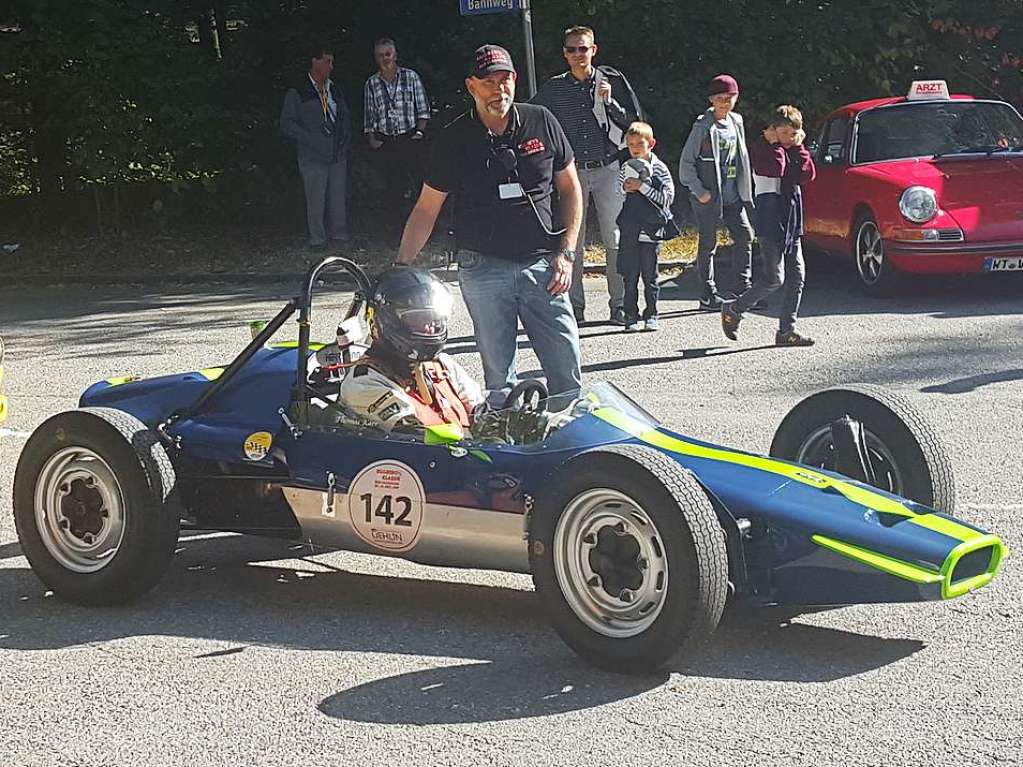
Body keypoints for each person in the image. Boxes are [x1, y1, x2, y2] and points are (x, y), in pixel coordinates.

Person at [397, 44, 584, 408]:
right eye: (489, 81)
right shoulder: (454, 138)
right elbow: (426, 209)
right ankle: (508, 444)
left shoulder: (541, 120)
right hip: (482, 268)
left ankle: (571, 446)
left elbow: (571, 188)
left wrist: (568, 253)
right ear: (471, 86)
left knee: (566, 372)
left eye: (506, 79)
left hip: (546, 266)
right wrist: (400, 266)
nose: (500, 88)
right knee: (499, 380)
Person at [532, 25, 643, 325]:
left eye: (583, 48)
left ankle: (619, 305)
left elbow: (636, 127)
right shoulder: (554, 89)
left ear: (594, 50)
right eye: (572, 49)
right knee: (573, 242)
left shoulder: (612, 82)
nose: (578, 54)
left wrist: (610, 102)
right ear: (564, 54)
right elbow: (531, 119)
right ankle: (575, 307)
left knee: (615, 238)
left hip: (609, 169)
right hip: (572, 173)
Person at [340, 266, 483, 432]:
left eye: (432, 319)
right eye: (418, 319)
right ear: (387, 321)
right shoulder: (363, 383)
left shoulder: (442, 365)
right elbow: (414, 436)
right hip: (423, 455)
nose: (429, 329)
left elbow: (482, 413)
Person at [722, 105, 817, 347]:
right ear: (773, 130)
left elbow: (807, 173)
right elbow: (777, 168)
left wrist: (799, 147)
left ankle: (786, 330)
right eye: (783, 133)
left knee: (798, 276)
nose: (788, 138)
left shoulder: (794, 149)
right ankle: (734, 309)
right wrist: (774, 144)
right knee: (775, 278)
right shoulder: (762, 150)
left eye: (793, 133)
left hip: (791, 220)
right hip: (770, 218)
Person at [678, 74, 756, 311]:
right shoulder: (703, 127)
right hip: (709, 198)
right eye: (720, 98)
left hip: (734, 196)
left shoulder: (736, 122)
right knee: (708, 244)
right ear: (712, 99)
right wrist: (700, 192)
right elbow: (686, 165)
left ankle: (742, 288)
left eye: (730, 97)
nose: (725, 102)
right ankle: (707, 294)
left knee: (744, 236)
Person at [280, 43, 352, 249]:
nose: (331, 67)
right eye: (327, 61)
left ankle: (340, 237)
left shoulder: (335, 89)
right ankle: (317, 240)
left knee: (338, 198)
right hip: (311, 156)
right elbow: (287, 124)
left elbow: (345, 118)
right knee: (315, 200)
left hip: (337, 154)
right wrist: (310, 139)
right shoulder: (298, 91)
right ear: (314, 61)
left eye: (332, 62)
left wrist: (343, 142)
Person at [363, 38, 431, 237]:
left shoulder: (411, 77)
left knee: (419, 185)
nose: (385, 59)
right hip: (386, 141)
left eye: (388, 54)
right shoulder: (372, 83)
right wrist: (371, 139)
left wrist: (420, 132)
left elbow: (423, 109)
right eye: (380, 55)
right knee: (392, 187)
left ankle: (421, 230)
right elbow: (369, 115)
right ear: (376, 59)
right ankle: (395, 232)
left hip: (410, 138)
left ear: (395, 55)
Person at [616, 122, 675, 332]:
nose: (635, 148)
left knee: (650, 277)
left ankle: (652, 314)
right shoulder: (626, 167)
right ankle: (630, 315)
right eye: (630, 144)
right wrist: (625, 188)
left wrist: (643, 187)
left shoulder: (659, 168)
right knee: (629, 275)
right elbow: (619, 192)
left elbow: (667, 198)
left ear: (651, 144)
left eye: (639, 143)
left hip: (651, 231)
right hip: (631, 230)